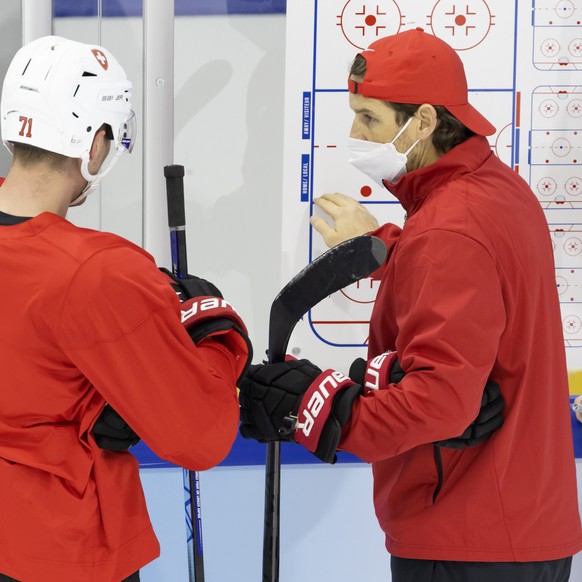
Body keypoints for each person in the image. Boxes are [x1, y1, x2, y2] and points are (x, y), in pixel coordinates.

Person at [238, 28, 582, 582]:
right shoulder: (496, 193)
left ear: (423, 121)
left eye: (368, 118)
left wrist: (316, 413)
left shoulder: (449, 230)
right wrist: (389, 251)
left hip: (466, 537)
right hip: (516, 525)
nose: (353, 133)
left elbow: (441, 402)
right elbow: (472, 283)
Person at [0, 36, 251, 581]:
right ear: (94, 145)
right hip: (60, 549)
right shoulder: (99, 272)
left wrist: (97, 400)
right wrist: (217, 331)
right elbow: (199, 436)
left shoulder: (92, 274)